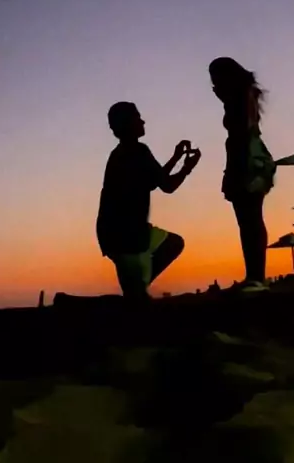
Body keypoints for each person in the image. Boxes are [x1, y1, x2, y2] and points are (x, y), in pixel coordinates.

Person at [96, 102, 201, 300]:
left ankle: (138, 283)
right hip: (130, 236)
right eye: (138, 118)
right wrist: (187, 167)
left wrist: (176, 157)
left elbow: (155, 180)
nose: (143, 121)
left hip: (115, 235)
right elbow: (167, 185)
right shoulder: (138, 151)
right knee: (136, 300)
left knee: (173, 243)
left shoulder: (122, 154)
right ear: (128, 124)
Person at [208, 57, 276, 292]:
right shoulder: (243, 95)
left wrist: (236, 170)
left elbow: (241, 129)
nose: (213, 84)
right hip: (248, 157)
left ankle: (256, 277)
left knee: (250, 219)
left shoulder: (239, 98)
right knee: (249, 219)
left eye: (216, 77)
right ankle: (255, 276)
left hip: (246, 158)